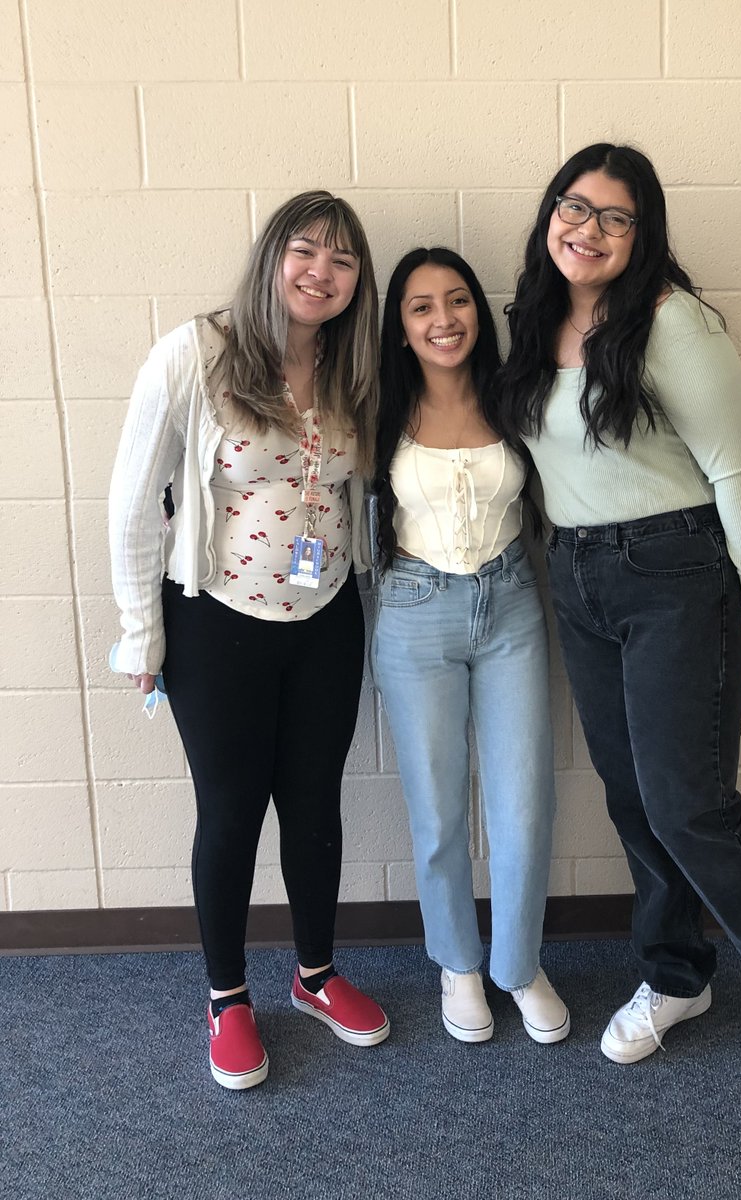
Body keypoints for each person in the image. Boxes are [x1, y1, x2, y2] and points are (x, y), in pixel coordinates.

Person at [497, 144, 741, 1071]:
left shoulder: (673, 324)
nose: (589, 229)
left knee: (688, 803)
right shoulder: (534, 321)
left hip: (674, 574)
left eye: (616, 217)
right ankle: (676, 974)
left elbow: (737, 470)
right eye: (575, 207)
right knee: (632, 800)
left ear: (643, 233)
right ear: (551, 213)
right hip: (576, 574)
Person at [109, 192, 389, 1091]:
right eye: (305, 251)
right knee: (230, 809)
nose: (321, 272)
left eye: (342, 260)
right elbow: (131, 502)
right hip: (216, 621)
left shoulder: (353, 367)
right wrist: (140, 634)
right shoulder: (196, 355)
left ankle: (315, 975)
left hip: (326, 619)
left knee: (313, 803)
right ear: (272, 257)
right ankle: (227, 997)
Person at [371, 248, 569, 1044]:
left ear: (477, 314)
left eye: (456, 301)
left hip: (511, 605)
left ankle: (519, 965)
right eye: (421, 306)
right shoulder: (378, 407)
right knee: (438, 805)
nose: (443, 319)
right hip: (414, 611)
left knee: (523, 803)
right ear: (400, 326)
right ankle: (457, 963)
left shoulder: (516, 396)